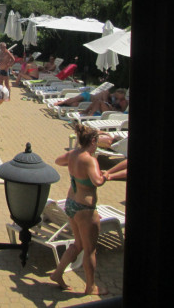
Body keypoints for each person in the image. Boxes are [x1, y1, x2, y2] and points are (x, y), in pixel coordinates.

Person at [50, 123, 108, 296]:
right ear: (93, 141)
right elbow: (97, 181)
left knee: (78, 244)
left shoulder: (73, 154)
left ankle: (57, 273)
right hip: (85, 209)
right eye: (97, 142)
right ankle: (91, 287)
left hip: (71, 204)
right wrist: (105, 176)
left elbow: (58, 161)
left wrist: (73, 160)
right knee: (90, 250)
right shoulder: (90, 160)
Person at [56, 88, 128, 117]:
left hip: (112, 111)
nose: (116, 97)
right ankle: (63, 102)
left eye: (118, 97)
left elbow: (121, 111)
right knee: (74, 101)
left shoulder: (124, 102)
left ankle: (89, 113)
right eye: (116, 95)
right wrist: (111, 103)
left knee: (74, 103)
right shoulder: (107, 93)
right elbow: (106, 100)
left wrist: (115, 103)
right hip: (88, 97)